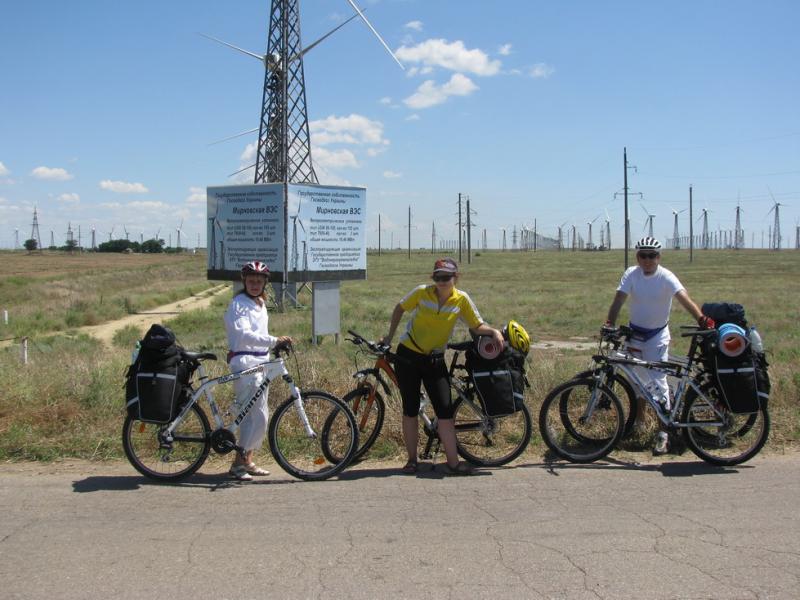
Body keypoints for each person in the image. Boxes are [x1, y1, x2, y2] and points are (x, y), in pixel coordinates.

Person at [381, 257, 505, 475]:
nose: (442, 281)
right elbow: (399, 308)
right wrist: (389, 337)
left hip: (435, 360)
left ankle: (453, 463)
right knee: (409, 409)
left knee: (445, 412)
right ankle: (411, 461)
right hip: (408, 356)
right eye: (438, 277)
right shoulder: (421, 292)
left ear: (456, 277)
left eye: (446, 277)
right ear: (433, 277)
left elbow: (476, 324)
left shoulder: (461, 299)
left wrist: (493, 331)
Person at [604, 237, 714, 455]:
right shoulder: (631, 274)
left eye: (652, 255)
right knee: (637, 381)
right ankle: (640, 422)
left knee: (658, 381)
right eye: (643, 255)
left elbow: (684, 299)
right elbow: (619, 299)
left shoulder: (666, 276)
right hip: (635, 334)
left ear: (659, 257)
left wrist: (702, 319)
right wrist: (609, 323)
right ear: (637, 257)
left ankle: (664, 433)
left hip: (657, 336)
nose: (647, 260)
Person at [224, 261, 292, 480]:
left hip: (259, 362)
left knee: (259, 415)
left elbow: (256, 334)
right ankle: (238, 465)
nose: (255, 284)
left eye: (259, 281)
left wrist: (271, 345)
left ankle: (247, 460)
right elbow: (244, 335)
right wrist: (274, 340)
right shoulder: (240, 303)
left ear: (265, 283)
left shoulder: (259, 304)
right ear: (244, 281)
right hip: (246, 363)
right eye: (251, 280)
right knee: (252, 417)